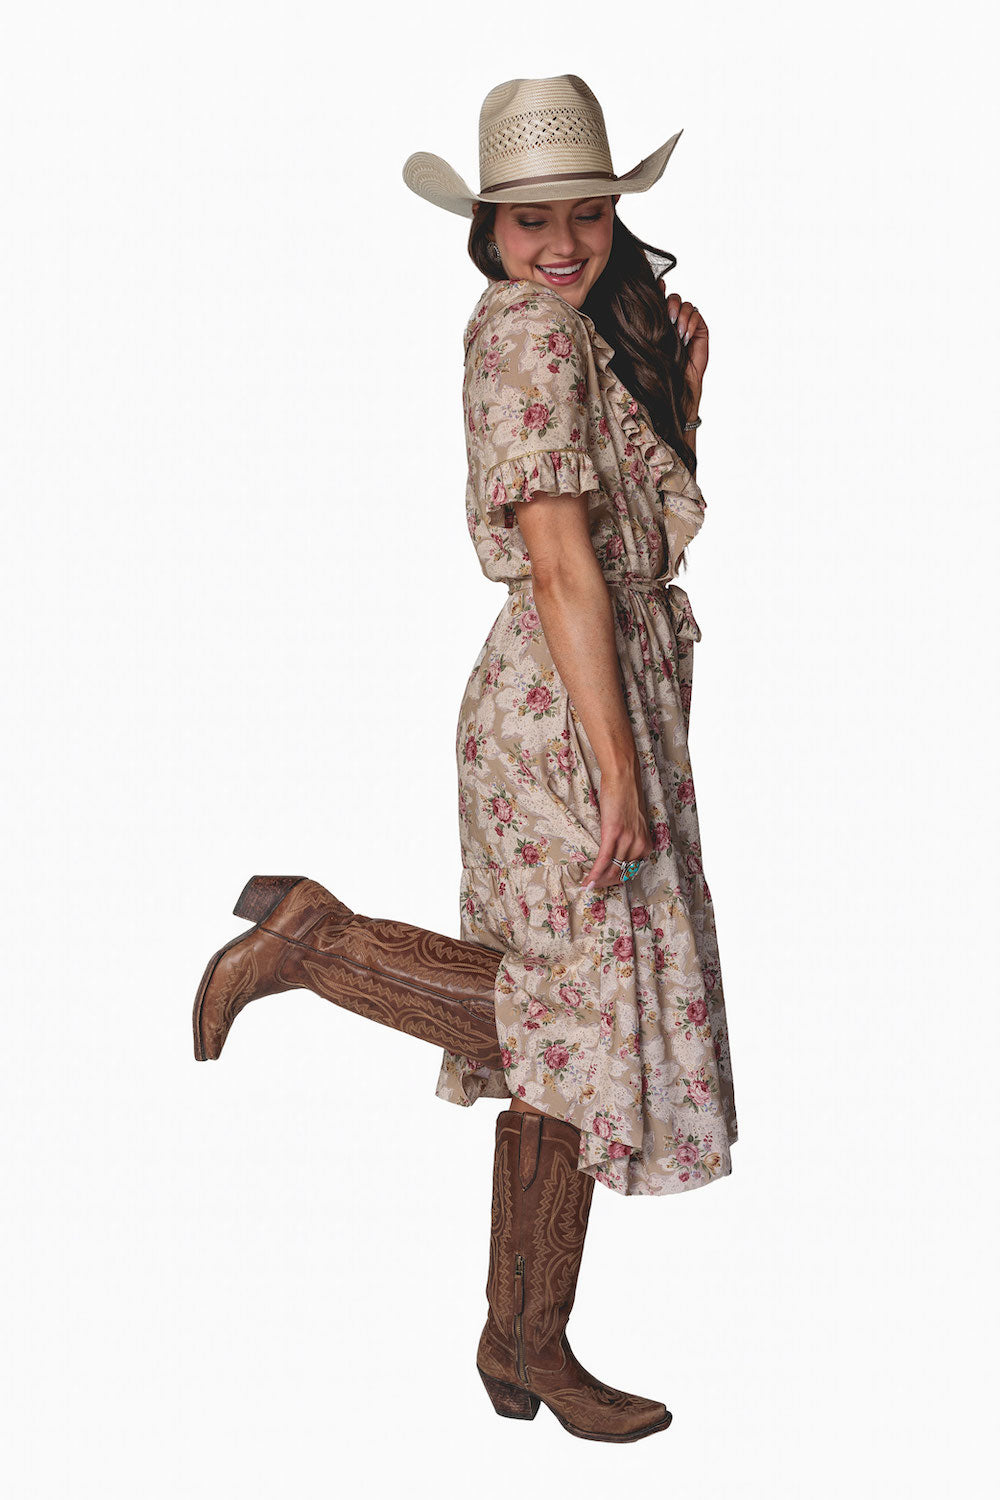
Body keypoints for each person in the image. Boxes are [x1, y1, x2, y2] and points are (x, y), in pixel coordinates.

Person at [192, 74, 738, 1444]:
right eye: (530, 218)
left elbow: (630, 534)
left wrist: (680, 396)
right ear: (487, 227)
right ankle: (319, 944)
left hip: (599, 691)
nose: (562, 241)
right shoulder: (526, 334)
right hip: (568, 707)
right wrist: (616, 770)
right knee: (580, 1022)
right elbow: (561, 562)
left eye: (586, 213)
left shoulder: (580, 335)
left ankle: (522, 1339)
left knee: (571, 1028)